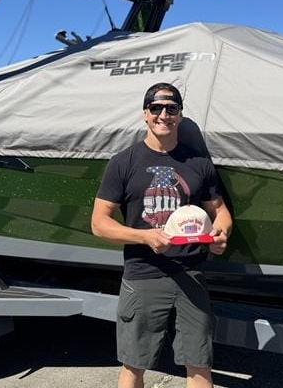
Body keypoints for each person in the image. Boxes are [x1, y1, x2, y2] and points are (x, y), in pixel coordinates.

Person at [91, 82, 232, 388]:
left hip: (190, 272)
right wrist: (145, 237)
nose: (164, 114)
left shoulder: (199, 163)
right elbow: (99, 223)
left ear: (180, 115)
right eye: (156, 108)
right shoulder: (123, 162)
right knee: (134, 365)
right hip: (143, 274)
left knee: (199, 364)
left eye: (172, 108)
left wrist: (221, 234)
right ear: (145, 114)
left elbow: (219, 211)